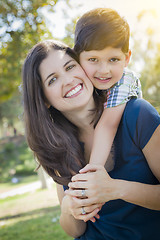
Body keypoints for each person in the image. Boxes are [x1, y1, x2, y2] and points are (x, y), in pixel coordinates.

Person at [22, 39, 160, 240]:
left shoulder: (137, 114)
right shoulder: (57, 145)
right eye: (53, 79)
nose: (68, 80)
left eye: (70, 67)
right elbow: (75, 230)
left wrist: (117, 189)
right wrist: (69, 209)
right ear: (43, 99)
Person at [74, 8, 142, 170]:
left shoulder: (125, 80)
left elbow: (108, 125)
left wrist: (93, 170)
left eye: (113, 59)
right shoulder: (83, 84)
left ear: (126, 58)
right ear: (78, 58)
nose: (104, 70)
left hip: (134, 153)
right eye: (93, 59)